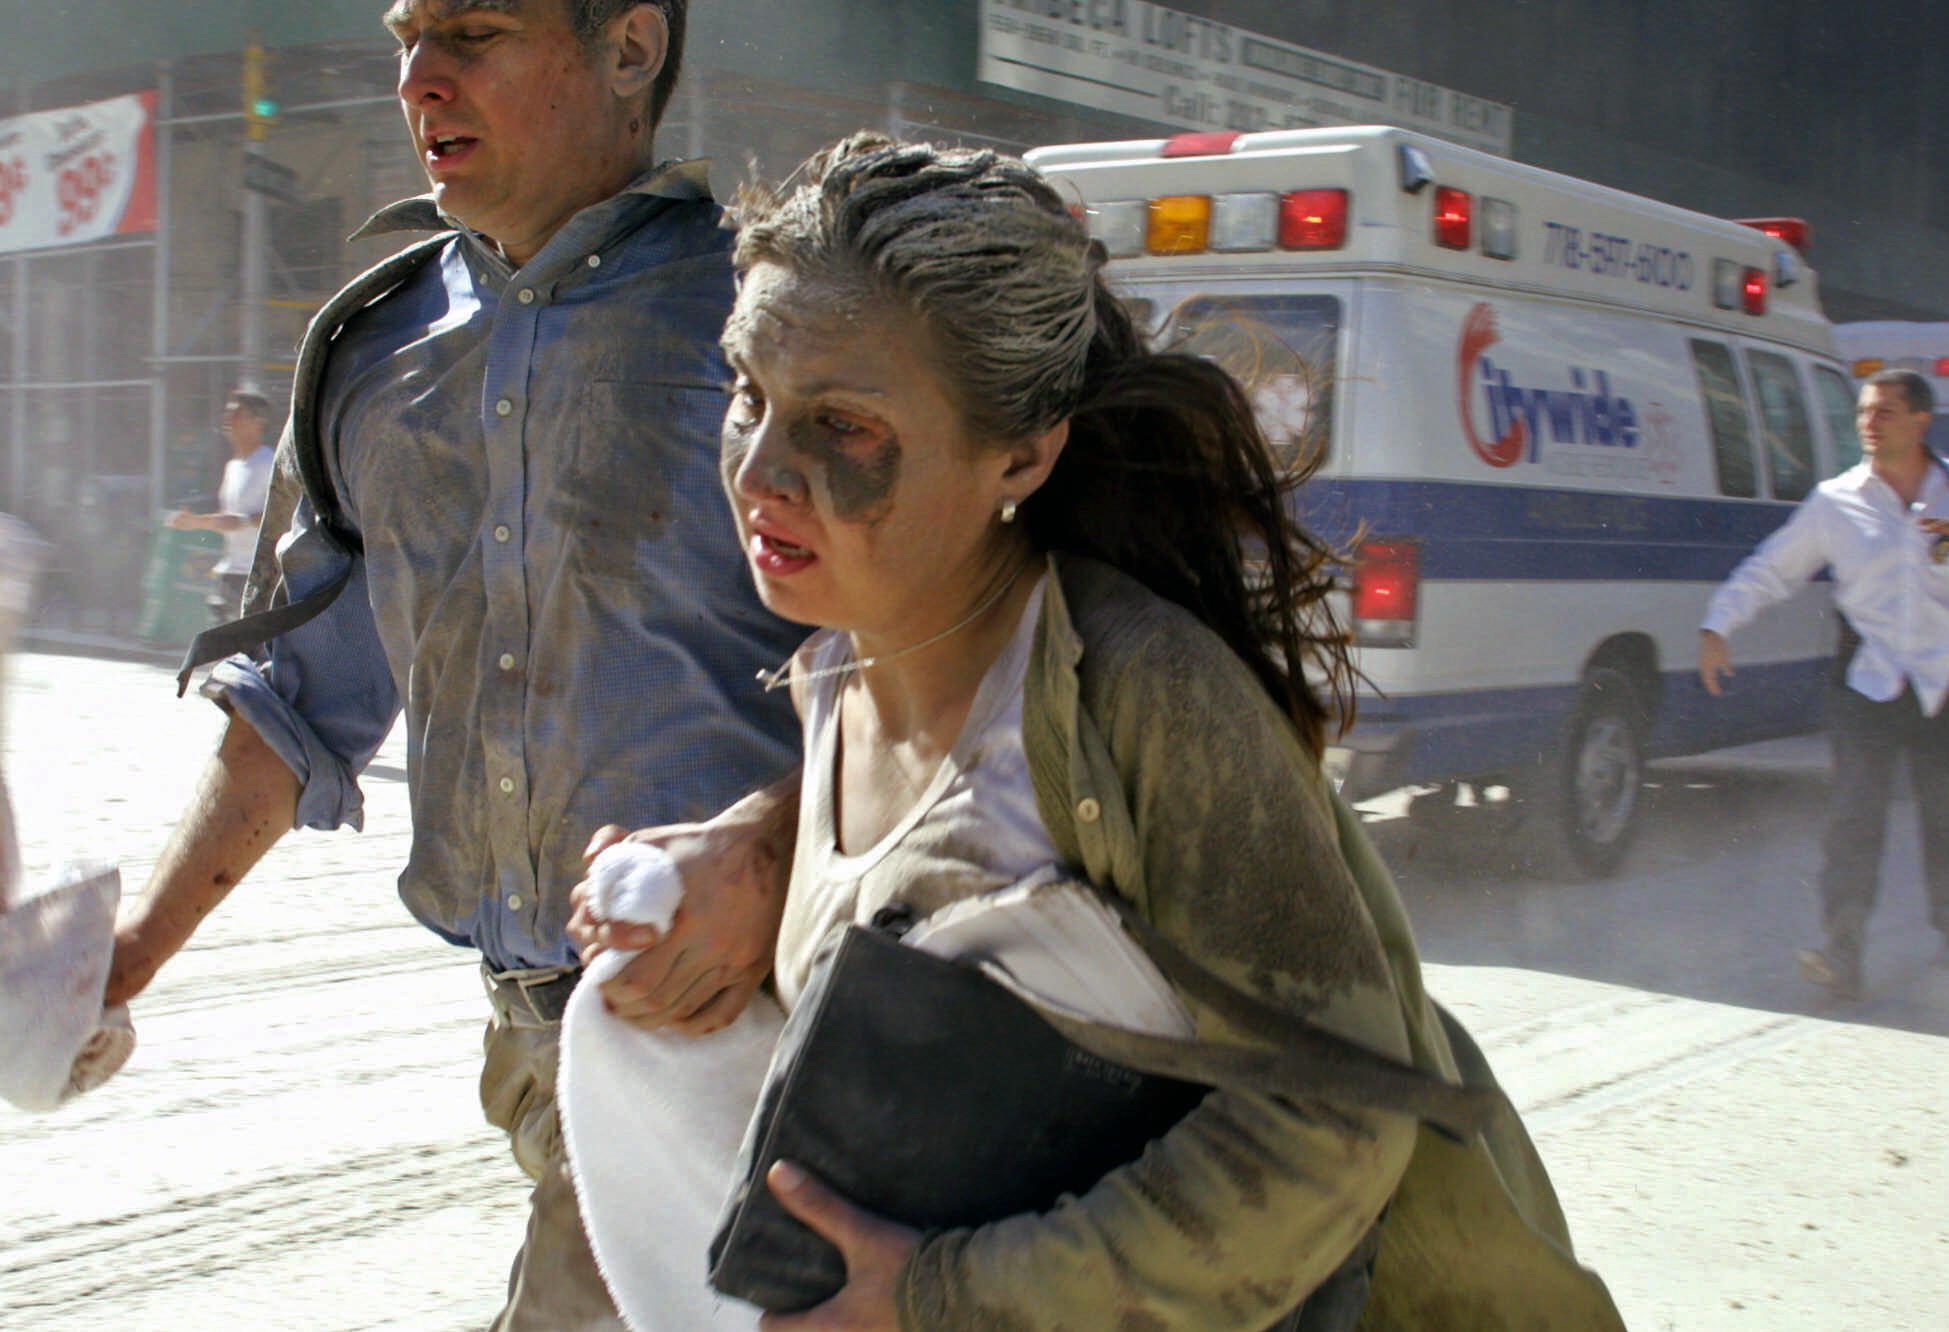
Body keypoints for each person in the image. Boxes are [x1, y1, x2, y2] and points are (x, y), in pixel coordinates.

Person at [672, 132, 1622, 1330]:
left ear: (1022, 449)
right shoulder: (829, 683)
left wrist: (947, 1300)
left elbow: (1336, 1116)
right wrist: (728, 870)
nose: (760, 467)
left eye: (843, 425)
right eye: (748, 394)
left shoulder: (1139, 692)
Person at [103, 3, 806, 1327]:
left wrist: (764, 852)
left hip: (763, 1027)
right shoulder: (372, 352)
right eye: (408, 36)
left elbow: (947, 656)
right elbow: (295, 700)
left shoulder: (777, 325)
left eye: (475, 31)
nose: (422, 79)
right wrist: (126, 956)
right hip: (539, 1040)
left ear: (631, 47)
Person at [1700, 369, 1949, 1000]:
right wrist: (1719, 623)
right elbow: (1773, 568)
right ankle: (1842, 950)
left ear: (1920, 420)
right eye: (1864, 411)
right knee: (1854, 815)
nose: (1869, 422)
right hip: (1869, 674)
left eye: (1885, 411)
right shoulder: (1836, 500)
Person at [166, 390, 276, 626]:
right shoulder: (233, 467)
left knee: (252, 653)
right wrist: (196, 522)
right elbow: (227, 521)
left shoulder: (270, 463)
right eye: (227, 413)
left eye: (237, 413)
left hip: (259, 578)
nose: (228, 419)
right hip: (230, 576)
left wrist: (243, 522)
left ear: (258, 422)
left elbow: (282, 514)